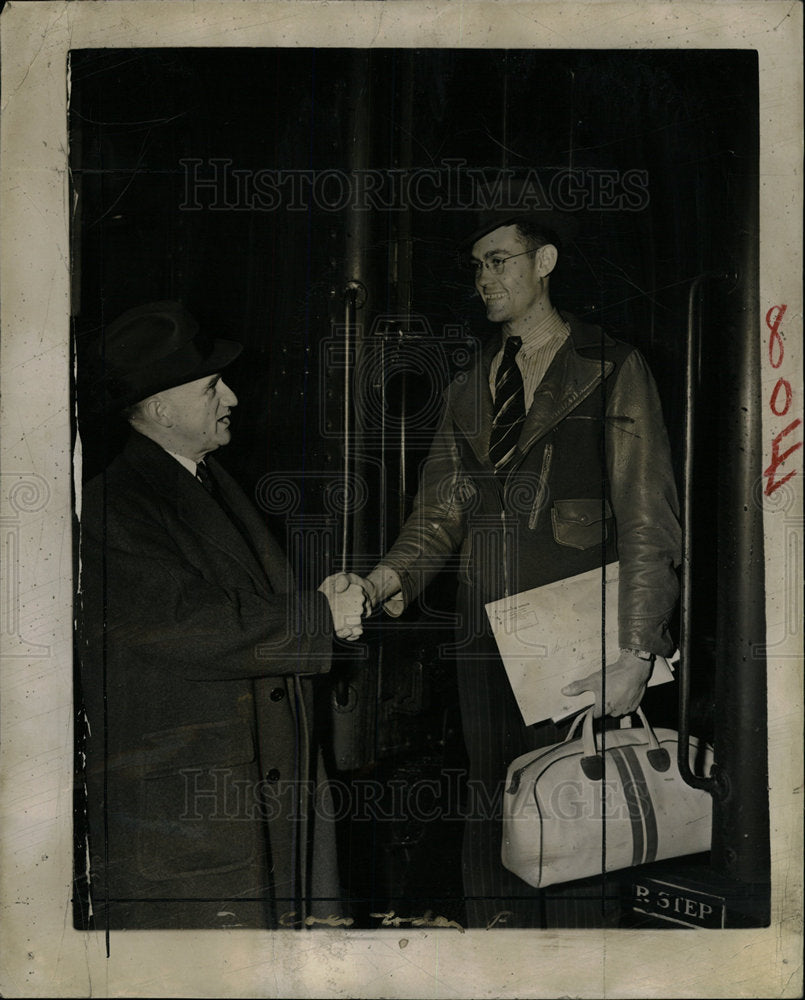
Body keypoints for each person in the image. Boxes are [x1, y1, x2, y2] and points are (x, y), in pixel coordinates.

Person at [355, 212, 682, 928]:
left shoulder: (610, 365)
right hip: (486, 629)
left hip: (580, 629)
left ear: (545, 263)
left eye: (499, 261)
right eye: (475, 265)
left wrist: (636, 650)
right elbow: (437, 514)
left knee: (580, 817)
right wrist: (380, 582)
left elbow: (648, 520)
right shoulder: (471, 386)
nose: (482, 280)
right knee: (495, 805)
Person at [77, 301, 369, 930]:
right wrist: (319, 617)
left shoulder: (200, 478)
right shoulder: (111, 507)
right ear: (159, 409)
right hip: (191, 818)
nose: (232, 396)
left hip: (247, 793)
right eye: (212, 387)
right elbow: (190, 624)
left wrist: (317, 602)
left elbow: (235, 601)